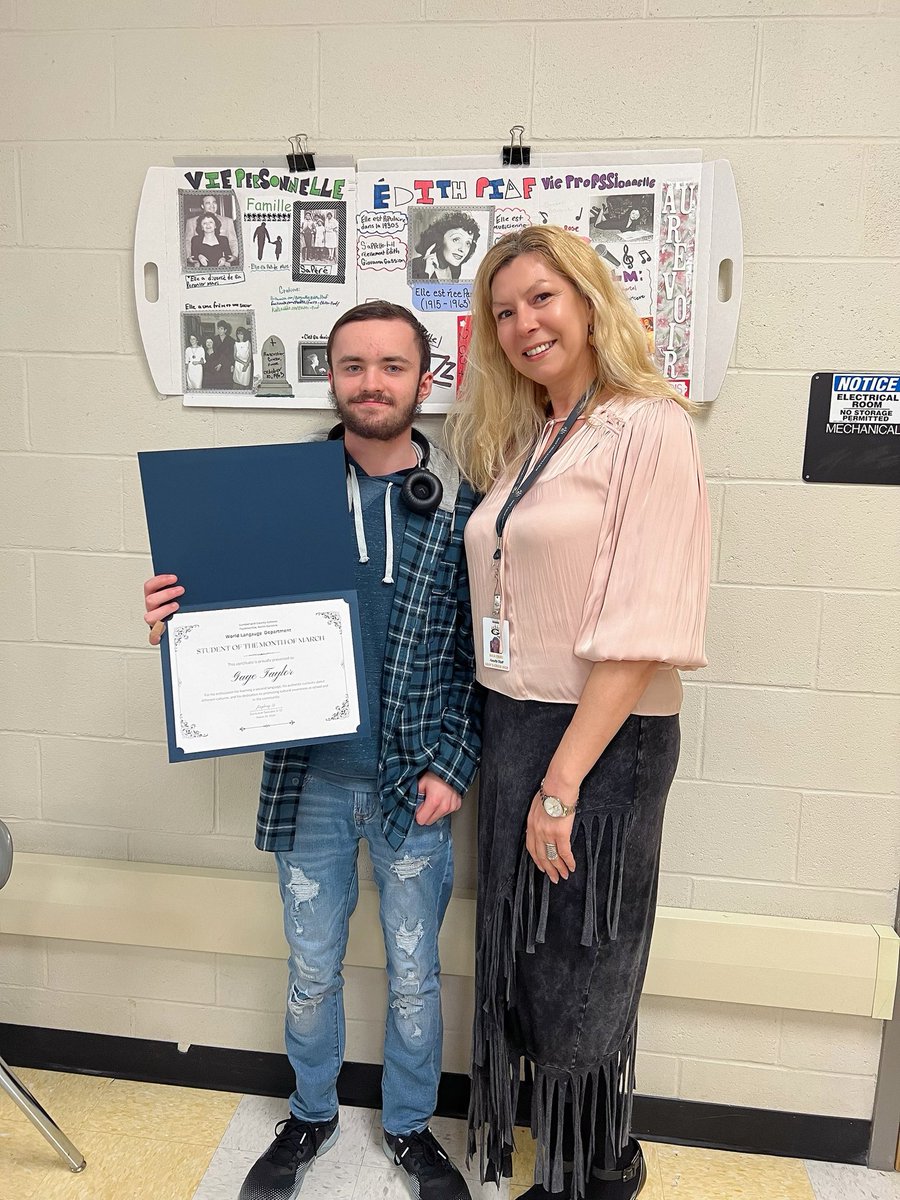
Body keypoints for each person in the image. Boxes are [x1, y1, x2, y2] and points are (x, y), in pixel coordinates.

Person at [142, 301, 481, 1200]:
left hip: (417, 788)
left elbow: (482, 656)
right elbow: (225, 623)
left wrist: (454, 764)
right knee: (310, 971)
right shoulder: (272, 499)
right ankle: (311, 1114)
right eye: (353, 365)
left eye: (392, 366)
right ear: (331, 378)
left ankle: (409, 1128)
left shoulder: (460, 509)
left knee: (415, 976)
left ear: (424, 378)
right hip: (311, 787)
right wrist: (179, 631)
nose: (372, 383)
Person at [447, 226, 709, 1200]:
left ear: (591, 299)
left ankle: (589, 1173)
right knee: (525, 952)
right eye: (505, 310)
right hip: (515, 725)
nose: (524, 323)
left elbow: (643, 629)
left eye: (543, 298)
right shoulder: (528, 439)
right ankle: (582, 1153)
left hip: (602, 738)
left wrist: (562, 786)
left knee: (581, 966)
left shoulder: (649, 426)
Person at [411, 213, 481, 282]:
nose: (462, 249)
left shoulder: (455, 270)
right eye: (456, 240)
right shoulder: (414, 266)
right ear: (439, 239)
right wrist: (427, 273)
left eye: (468, 243)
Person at [184, 193, 239, 262]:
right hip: (200, 261)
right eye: (208, 203)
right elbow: (188, 242)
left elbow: (233, 241)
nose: (212, 206)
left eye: (214, 202)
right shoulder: (191, 222)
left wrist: (234, 256)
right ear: (202, 206)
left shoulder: (228, 221)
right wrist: (189, 257)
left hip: (223, 262)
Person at [208, 320, 236, 388]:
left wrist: (232, 365)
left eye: (221, 329)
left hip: (227, 364)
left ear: (225, 330)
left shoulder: (231, 340)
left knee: (227, 384)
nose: (219, 330)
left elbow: (232, 354)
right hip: (216, 365)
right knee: (217, 384)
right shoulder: (214, 339)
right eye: (218, 329)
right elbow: (213, 353)